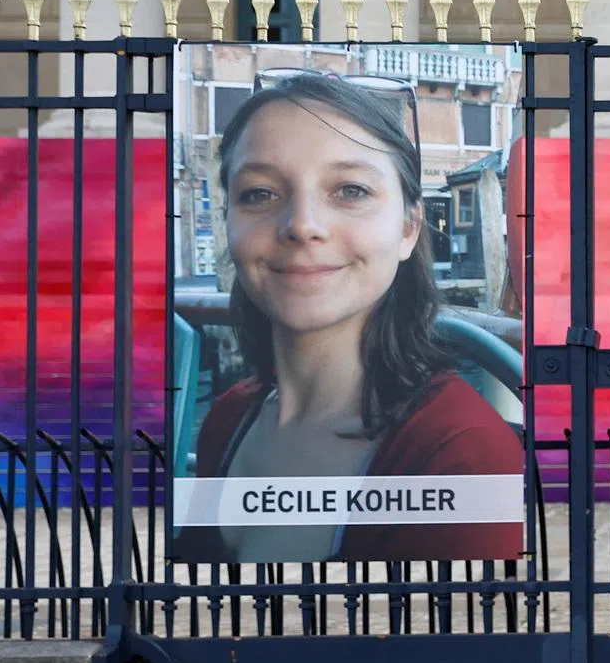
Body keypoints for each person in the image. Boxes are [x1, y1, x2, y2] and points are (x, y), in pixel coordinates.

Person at [175, 72, 523, 564]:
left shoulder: (462, 454)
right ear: (228, 219)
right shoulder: (228, 416)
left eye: (351, 190)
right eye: (259, 193)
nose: (302, 225)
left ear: (408, 228)